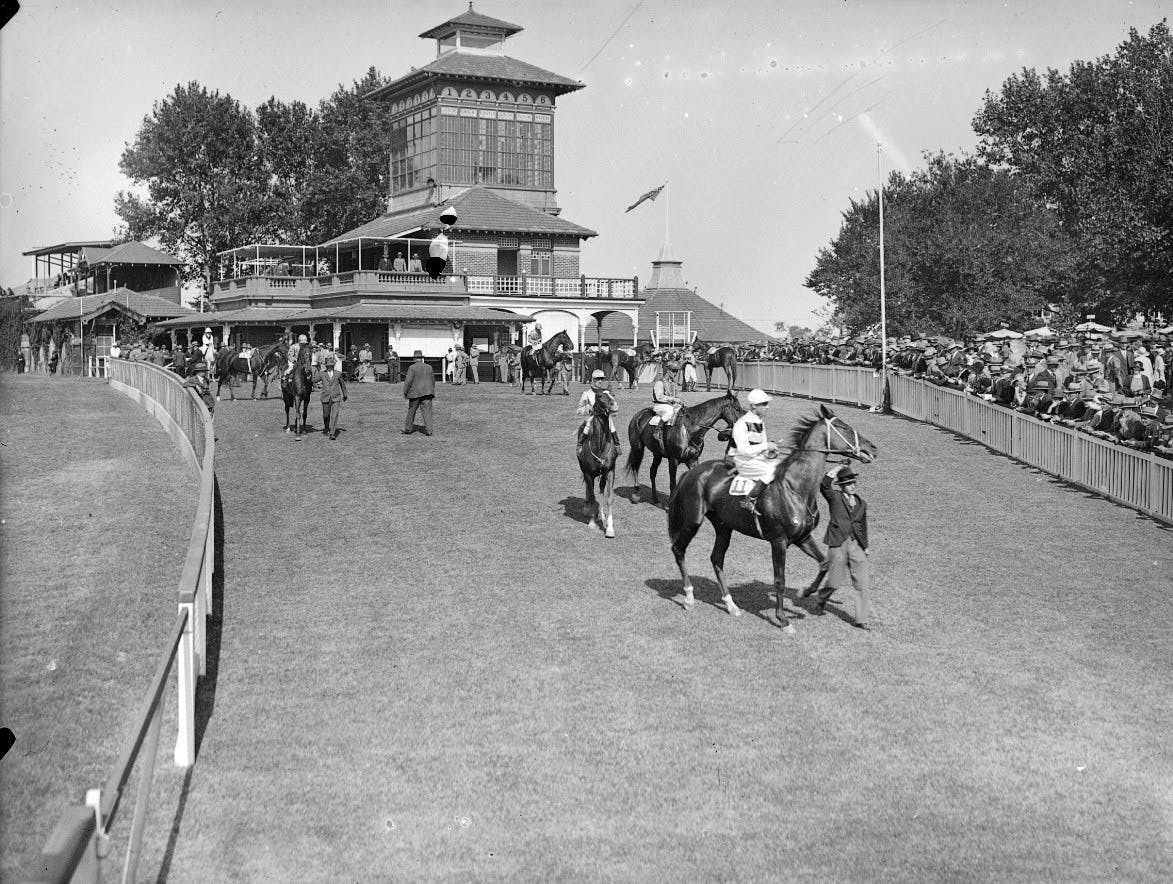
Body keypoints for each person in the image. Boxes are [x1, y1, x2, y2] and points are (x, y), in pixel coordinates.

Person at [813, 465, 871, 629]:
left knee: (863, 583)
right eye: (849, 483)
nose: (853, 485)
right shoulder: (835, 497)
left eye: (854, 482)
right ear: (841, 485)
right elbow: (824, 485)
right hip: (837, 543)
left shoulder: (862, 503)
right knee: (834, 582)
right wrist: (837, 469)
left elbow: (862, 526)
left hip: (856, 545)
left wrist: (865, 546)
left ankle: (861, 619)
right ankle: (821, 598)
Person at [729, 388, 780, 514]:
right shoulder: (741, 423)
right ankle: (749, 499)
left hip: (756, 459)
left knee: (783, 466)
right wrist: (765, 446)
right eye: (764, 404)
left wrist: (771, 453)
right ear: (753, 406)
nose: (767, 407)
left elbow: (763, 449)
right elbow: (744, 450)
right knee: (772, 471)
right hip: (743, 461)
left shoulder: (759, 422)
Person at [577, 369, 621, 451]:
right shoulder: (587, 393)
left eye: (602, 379)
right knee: (588, 425)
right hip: (593, 417)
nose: (600, 381)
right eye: (598, 379)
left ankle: (617, 445)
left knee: (611, 425)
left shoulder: (606, 392)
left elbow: (613, 404)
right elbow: (579, 410)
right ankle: (580, 445)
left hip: (605, 417)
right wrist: (588, 409)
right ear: (593, 380)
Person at [650, 360, 684, 449]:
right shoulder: (659, 382)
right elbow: (659, 397)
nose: (675, 373)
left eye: (676, 371)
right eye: (673, 371)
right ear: (668, 371)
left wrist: (679, 400)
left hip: (671, 405)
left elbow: (676, 396)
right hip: (660, 405)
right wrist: (673, 399)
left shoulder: (674, 383)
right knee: (669, 412)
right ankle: (657, 431)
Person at [315, 353, 348, 440]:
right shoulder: (322, 373)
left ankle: (332, 433)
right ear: (326, 366)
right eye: (328, 366)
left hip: (336, 397)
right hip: (325, 397)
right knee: (326, 415)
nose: (329, 367)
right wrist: (308, 377)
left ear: (333, 366)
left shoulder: (338, 373)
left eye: (331, 365)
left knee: (335, 415)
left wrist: (345, 394)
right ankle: (326, 428)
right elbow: (314, 380)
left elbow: (342, 384)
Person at [402, 350, 434, 436]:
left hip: (415, 393)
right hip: (427, 392)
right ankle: (429, 430)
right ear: (422, 358)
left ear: (414, 358)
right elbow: (432, 381)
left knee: (411, 411)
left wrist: (405, 392)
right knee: (427, 412)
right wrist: (431, 390)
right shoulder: (429, 367)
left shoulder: (412, 368)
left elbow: (408, 381)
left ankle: (408, 429)